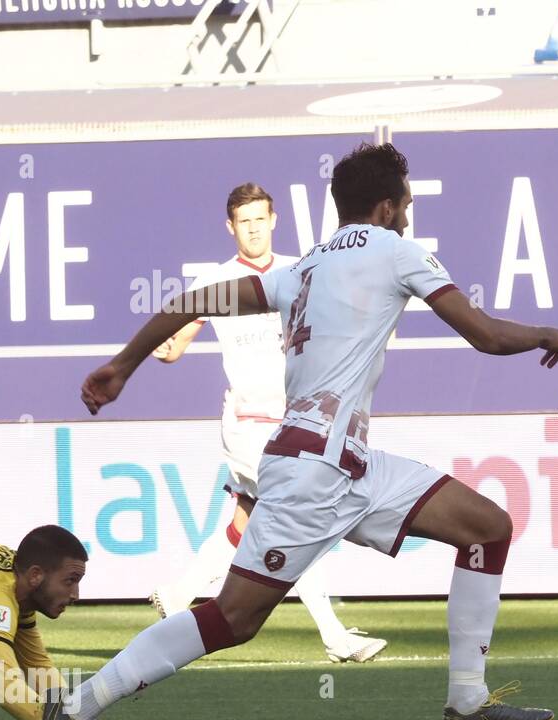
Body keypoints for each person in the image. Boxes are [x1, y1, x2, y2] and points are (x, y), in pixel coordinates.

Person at [37, 142, 558, 720]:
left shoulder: (302, 268)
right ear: (384, 205)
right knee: (230, 620)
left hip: (350, 462)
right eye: (405, 201)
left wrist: (123, 365)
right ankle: (74, 707)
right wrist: (543, 333)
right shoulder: (398, 250)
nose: (408, 211)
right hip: (314, 471)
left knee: (487, 527)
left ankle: (466, 702)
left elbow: (190, 303)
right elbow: (482, 334)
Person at [150, 182, 384, 664]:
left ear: (274, 220)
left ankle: (178, 594)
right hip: (248, 423)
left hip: (298, 417)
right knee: (299, 517)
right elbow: (178, 340)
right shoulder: (215, 282)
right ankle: (335, 636)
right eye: (244, 221)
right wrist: (165, 349)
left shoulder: (301, 270)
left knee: (246, 522)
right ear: (230, 227)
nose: (253, 228)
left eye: (260, 219)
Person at [0, 525, 157, 720]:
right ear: (35, 575)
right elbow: (4, 687)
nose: (75, 595)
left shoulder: (16, 585)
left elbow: (37, 666)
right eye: (70, 580)